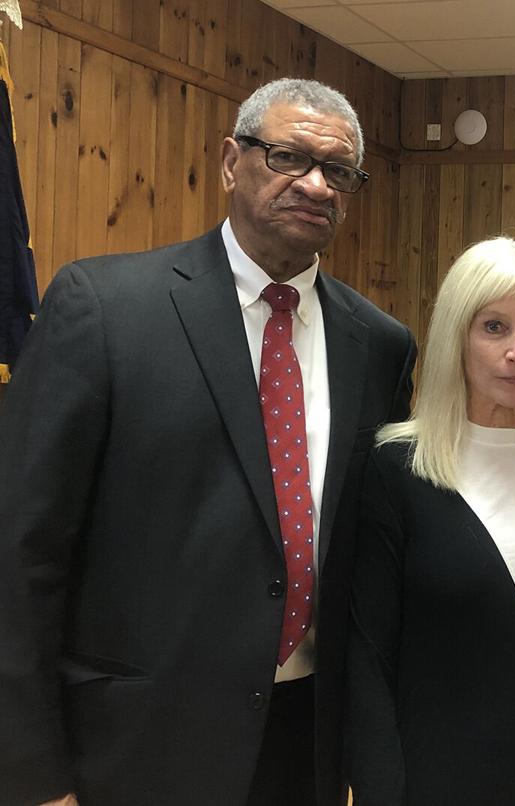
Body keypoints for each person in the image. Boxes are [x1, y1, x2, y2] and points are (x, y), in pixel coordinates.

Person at [0, 78, 416, 806]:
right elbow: (20, 549)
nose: (315, 184)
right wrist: (30, 775)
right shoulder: (105, 311)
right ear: (231, 162)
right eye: (288, 156)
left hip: (304, 743)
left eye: (339, 171)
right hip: (134, 744)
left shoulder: (379, 345)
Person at [344, 237, 515, 806]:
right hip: (433, 779)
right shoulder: (397, 469)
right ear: (455, 338)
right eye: (494, 327)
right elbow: (367, 657)